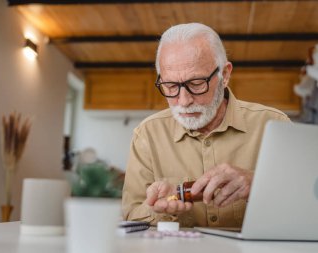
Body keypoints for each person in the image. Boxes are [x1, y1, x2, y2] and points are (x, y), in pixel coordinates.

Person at [122, 23, 290, 228]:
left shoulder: (275, 126)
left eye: (196, 83)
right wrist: (160, 210)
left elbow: (305, 205)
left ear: (225, 75)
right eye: (171, 86)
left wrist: (257, 185)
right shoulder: (147, 134)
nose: (183, 101)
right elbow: (131, 215)